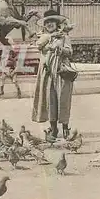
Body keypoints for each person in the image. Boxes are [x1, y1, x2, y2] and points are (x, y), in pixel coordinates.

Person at [32, 9, 76, 140]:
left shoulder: (64, 37)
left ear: (57, 23)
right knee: (49, 100)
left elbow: (70, 52)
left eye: (52, 21)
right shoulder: (43, 38)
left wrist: (59, 49)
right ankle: (53, 128)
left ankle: (65, 128)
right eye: (47, 22)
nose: (49, 24)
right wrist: (48, 40)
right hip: (47, 72)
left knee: (63, 99)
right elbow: (39, 48)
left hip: (61, 72)